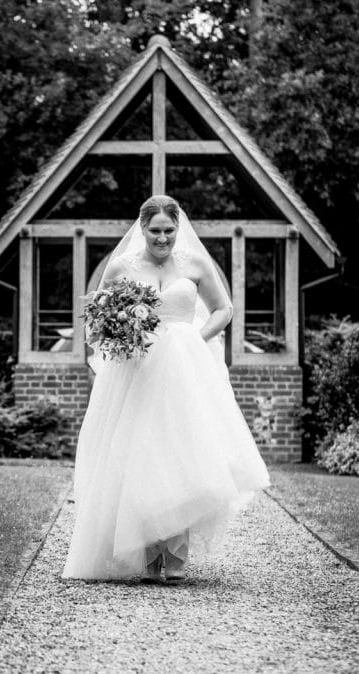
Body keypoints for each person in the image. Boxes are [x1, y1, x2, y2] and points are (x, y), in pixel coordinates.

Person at [61, 195, 270, 583]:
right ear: (141, 229)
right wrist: (123, 332)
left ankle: (175, 550)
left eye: (169, 230)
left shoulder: (194, 264)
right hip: (137, 371)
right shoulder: (123, 266)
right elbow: (98, 317)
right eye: (155, 230)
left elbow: (224, 309)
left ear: (179, 228)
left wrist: (194, 336)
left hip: (183, 371)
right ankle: (143, 549)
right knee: (139, 449)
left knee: (180, 449)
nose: (162, 238)